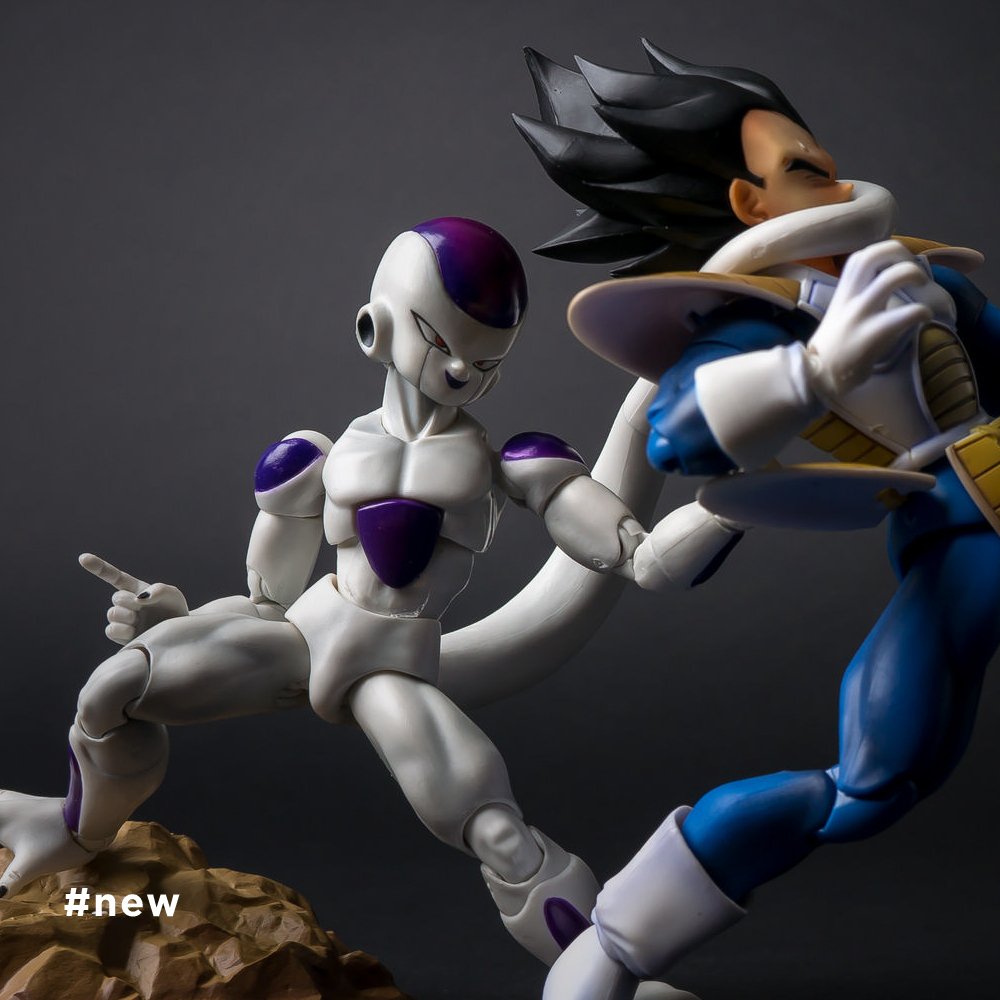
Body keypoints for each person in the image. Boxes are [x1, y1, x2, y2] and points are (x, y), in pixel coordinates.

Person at [0, 217, 738, 992]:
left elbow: (627, 550)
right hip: (301, 636)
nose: (461, 369)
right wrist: (180, 620)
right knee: (116, 686)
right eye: (440, 342)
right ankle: (76, 828)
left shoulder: (516, 464)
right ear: (375, 328)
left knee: (498, 832)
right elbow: (266, 598)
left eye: (486, 360)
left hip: (392, 669)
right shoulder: (315, 460)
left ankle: (610, 973)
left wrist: (712, 518)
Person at [515, 41, 1000, 997]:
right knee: (872, 786)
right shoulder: (762, 319)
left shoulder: (917, 278)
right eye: (806, 170)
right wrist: (811, 372)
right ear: (749, 202)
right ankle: (612, 945)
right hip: (958, 546)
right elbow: (679, 433)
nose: (841, 180)